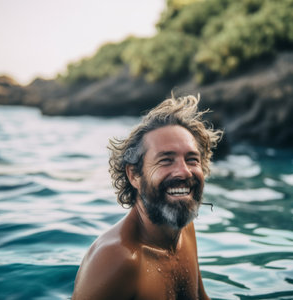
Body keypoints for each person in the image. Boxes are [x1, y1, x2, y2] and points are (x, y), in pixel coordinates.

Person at [72, 95, 222, 300]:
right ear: (134, 175)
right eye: (166, 160)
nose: (184, 172)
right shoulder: (117, 260)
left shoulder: (184, 229)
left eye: (192, 159)